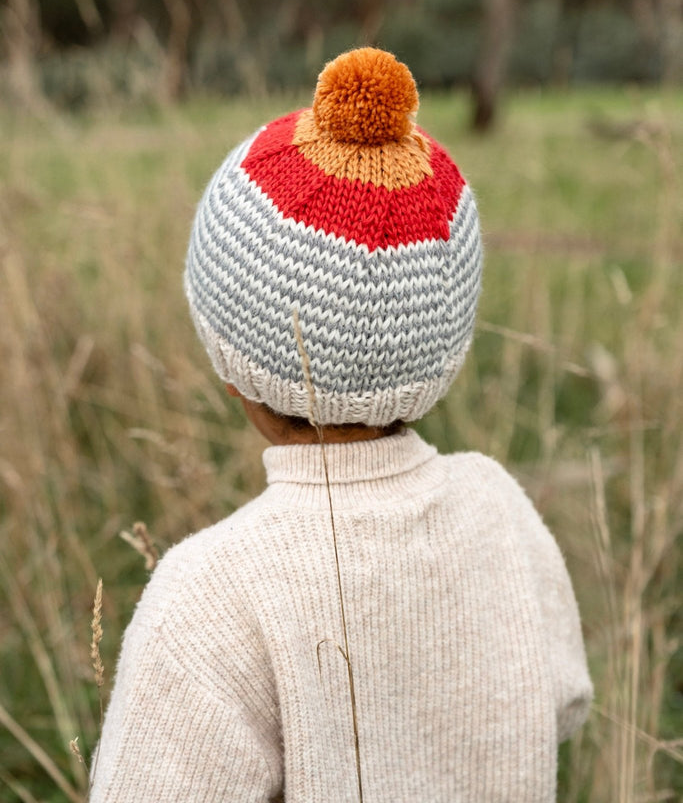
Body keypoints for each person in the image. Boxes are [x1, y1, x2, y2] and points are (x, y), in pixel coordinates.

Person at [90, 47, 592, 802]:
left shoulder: (210, 597)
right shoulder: (499, 509)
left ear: (230, 363)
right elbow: (563, 704)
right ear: (442, 347)